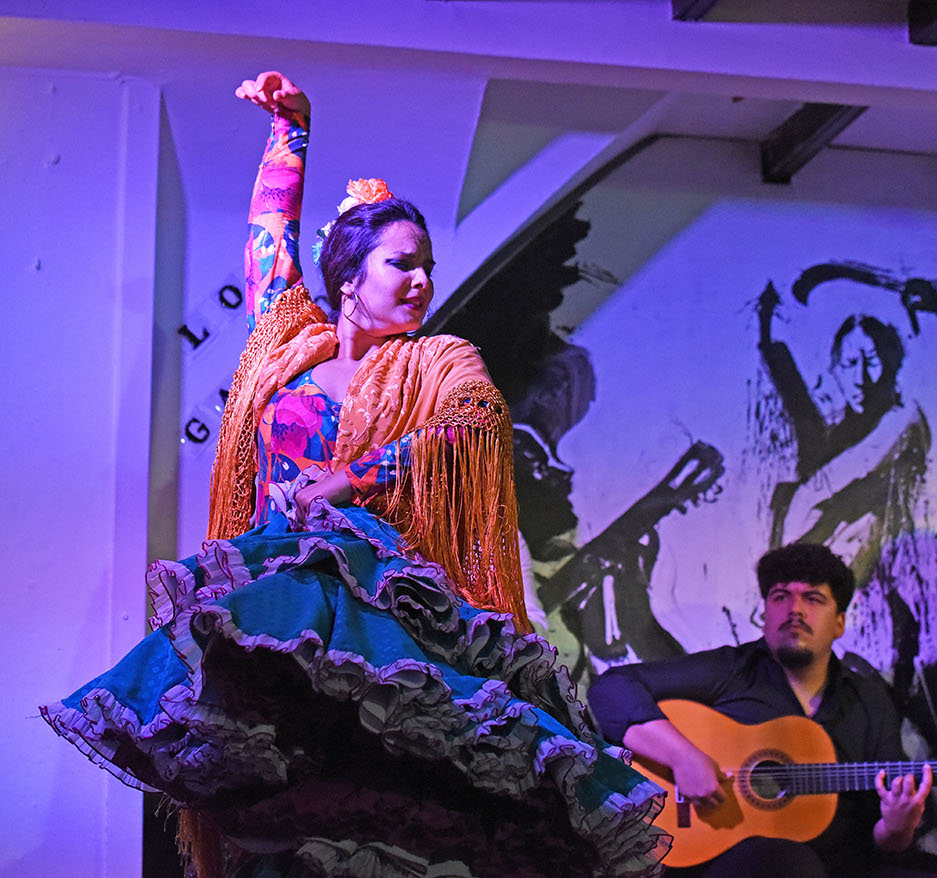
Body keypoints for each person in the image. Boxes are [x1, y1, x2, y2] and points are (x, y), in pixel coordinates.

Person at [41, 71, 665, 878]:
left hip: (377, 607)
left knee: (380, 811)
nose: (423, 282)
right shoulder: (286, 346)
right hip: (272, 597)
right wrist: (290, 132)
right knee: (274, 819)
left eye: (429, 266)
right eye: (403, 263)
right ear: (349, 278)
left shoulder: (441, 358)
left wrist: (353, 478)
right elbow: (268, 242)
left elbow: (470, 424)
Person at [588, 542, 932, 877]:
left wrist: (897, 828)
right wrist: (683, 758)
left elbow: (882, 833)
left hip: (838, 865)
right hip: (722, 862)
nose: (795, 609)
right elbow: (612, 689)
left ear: (839, 623)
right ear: (765, 614)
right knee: (787, 863)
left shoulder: (869, 701)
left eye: (813, 598)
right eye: (780, 597)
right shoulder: (732, 670)